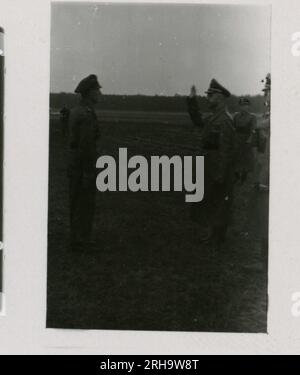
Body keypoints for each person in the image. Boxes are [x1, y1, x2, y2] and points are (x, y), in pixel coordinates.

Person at [186, 79, 236, 250]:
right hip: (210, 163)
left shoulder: (225, 120)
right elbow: (198, 122)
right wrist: (192, 100)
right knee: (211, 200)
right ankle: (212, 234)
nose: (208, 98)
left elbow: (226, 149)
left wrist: (221, 173)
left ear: (220, 97)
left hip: (218, 165)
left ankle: (217, 237)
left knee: (219, 201)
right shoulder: (214, 117)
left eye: (211, 95)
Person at [68, 74, 102, 250]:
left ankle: (76, 237)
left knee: (75, 200)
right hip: (83, 164)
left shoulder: (77, 111)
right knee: (85, 201)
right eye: (97, 90)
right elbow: (86, 145)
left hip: (75, 162)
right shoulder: (86, 115)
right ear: (89, 93)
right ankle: (82, 240)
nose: (100, 94)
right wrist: (89, 171)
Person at [233, 98, 257, 185]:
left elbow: (253, 130)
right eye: (242, 105)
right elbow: (233, 127)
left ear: (248, 106)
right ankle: (236, 176)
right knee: (236, 157)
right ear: (239, 106)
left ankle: (243, 177)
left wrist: (250, 139)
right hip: (237, 138)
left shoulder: (252, 117)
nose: (244, 107)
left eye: (245, 105)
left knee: (246, 158)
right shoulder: (236, 116)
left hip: (246, 139)